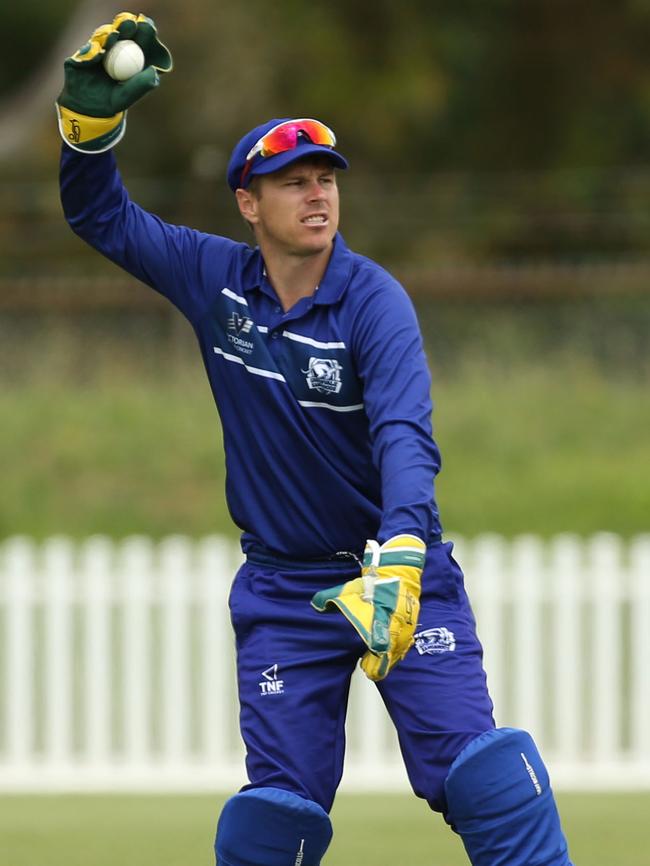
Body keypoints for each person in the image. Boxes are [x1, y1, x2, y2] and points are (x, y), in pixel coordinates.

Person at [57, 13, 574, 866]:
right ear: (247, 203)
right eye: (292, 182)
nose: (317, 194)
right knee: (274, 820)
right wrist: (88, 132)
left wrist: (404, 552)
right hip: (283, 587)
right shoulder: (213, 277)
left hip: (395, 571)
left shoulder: (376, 302)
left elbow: (408, 434)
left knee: (480, 774)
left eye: (326, 178)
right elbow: (100, 218)